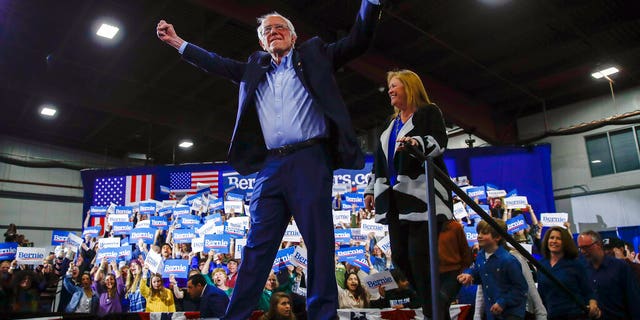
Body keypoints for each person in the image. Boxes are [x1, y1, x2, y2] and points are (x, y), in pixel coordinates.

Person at [156, 0, 382, 318]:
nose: (273, 32)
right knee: (256, 247)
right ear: (262, 42)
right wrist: (179, 43)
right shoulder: (253, 68)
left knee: (318, 243)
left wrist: (370, 4)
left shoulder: (315, 55)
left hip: (309, 158)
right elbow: (215, 63)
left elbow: (358, 40)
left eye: (279, 28)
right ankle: (236, 315)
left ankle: (323, 315)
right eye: (267, 31)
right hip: (271, 166)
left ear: (293, 36)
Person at [364, 69, 453, 318]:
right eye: (390, 87)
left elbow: (439, 141)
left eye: (395, 85)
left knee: (419, 258)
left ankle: (435, 307)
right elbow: (378, 162)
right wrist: (371, 189)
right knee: (400, 258)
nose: (390, 90)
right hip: (393, 201)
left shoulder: (428, 112)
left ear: (410, 87)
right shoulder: (389, 124)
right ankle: (435, 302)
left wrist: (417, 144)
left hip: (421, 199)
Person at [457, 218, 527, 320]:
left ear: (497, 237)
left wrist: (503, 302)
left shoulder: (508, 260)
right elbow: (477, 273)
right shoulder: (481, 256)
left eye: (484, 233)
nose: (479, 236)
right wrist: (469, 275)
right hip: (492, 313)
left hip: (510, 314)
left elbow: (521, 289)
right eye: (479, 232)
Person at [536, 226, 597, 320]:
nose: (554, 241)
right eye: (551, 238)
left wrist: (593, 304)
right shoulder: (542, 264)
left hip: (576, 315)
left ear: (565, 243)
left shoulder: (575, 264)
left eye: (558, 238)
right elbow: (541, 294)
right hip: (552, 315)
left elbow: (588, 290)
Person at [577, 230, 640, 320]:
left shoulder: (620, 267)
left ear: (598, 245)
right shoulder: (582, 270)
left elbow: (633, 299)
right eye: (580, 248)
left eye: (586, 247)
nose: (583, 251)